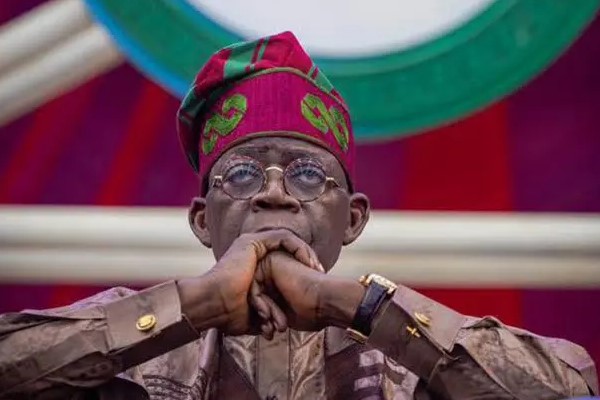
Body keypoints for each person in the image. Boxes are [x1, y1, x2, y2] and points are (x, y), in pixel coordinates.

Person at [0, 31, 597, 400]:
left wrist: (353, 305)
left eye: (308, 175)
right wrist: (197, 305)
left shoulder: (406, 354)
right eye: (242, 175)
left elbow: (573, 386)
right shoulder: (132, 335)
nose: (274, 195)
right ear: (203, 220)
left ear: (353, 219)